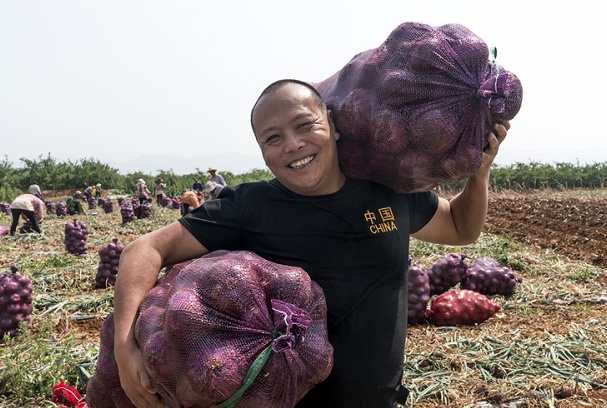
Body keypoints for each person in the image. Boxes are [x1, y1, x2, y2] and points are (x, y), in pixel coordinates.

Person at [113, 79, 509, 408]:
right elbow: (144, 250)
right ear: (263, 151)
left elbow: (460, 228)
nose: (293, 145)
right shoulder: (248, 206)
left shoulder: (388, 191)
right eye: (273, 138)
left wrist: (480, 172)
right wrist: (124, 347)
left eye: (305, 126)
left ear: (332, 124)